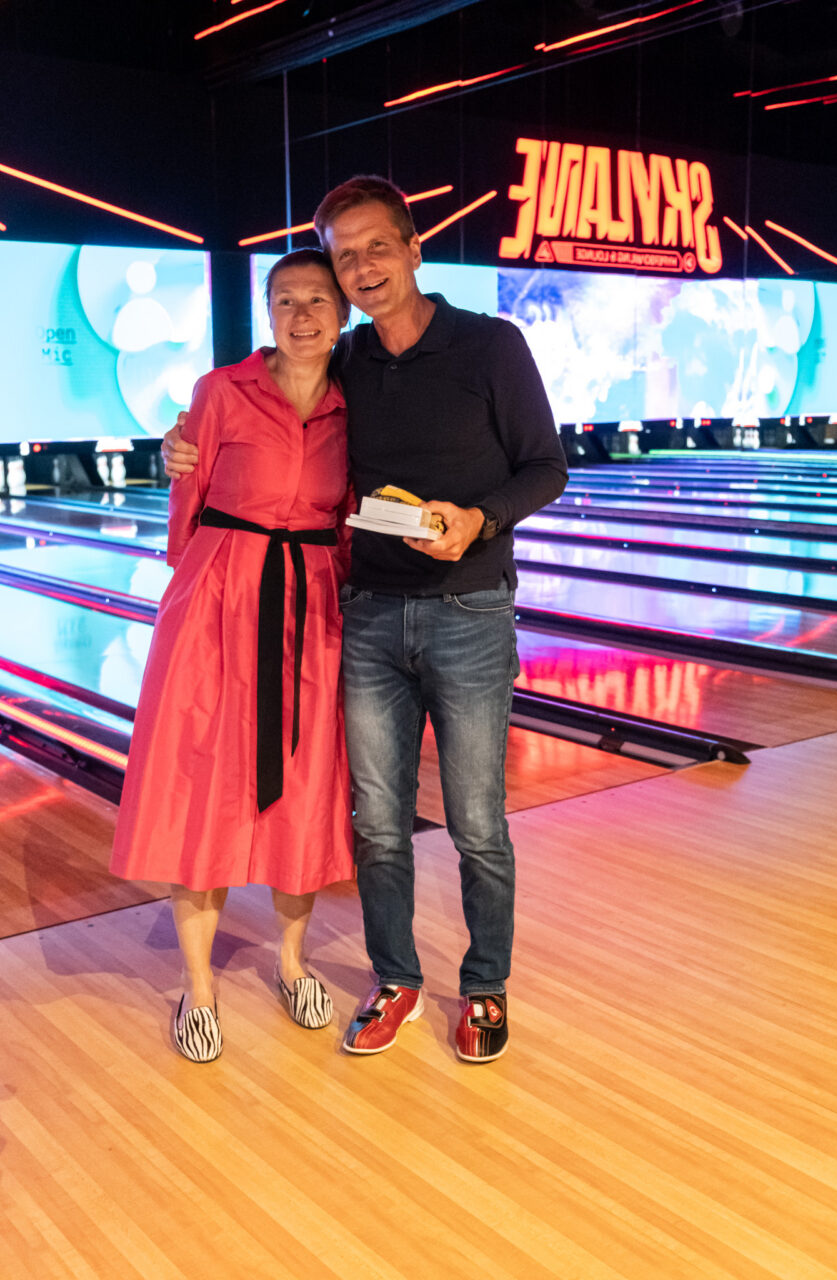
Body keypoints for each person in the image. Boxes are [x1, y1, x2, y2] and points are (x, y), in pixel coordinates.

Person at [165, 177, 567, 1063]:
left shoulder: (490, 345)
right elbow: (260, 398)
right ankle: (396, 980)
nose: (360, 267)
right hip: (368, 615)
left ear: (413, 247)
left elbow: (546, 466)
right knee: (378, 823)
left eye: (375, 246)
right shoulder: (343, 362)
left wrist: (479, 519)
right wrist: (180, 444)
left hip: (468, 609)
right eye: (343, 255)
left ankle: (485, 987)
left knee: (475, 822)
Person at [112, 248, 355, 1063]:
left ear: (342, 313)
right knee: (201, 783)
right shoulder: (220, 390)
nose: (301, 315)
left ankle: (290, 962)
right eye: (285, 300)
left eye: (317, 299)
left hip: (309, 602)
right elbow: (186, 500)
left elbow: (349, 518)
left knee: (305, 785)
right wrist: (197, 591)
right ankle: (199, 986)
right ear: (268, 311)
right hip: (219, 599)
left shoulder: (352, 404)